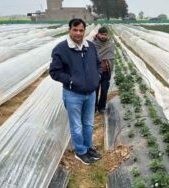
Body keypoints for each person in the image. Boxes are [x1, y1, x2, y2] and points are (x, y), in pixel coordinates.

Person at [49, 18, 102, 165]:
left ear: (85, 31)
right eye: (75, 30)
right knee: (77, 125)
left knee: (89, 123)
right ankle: (80, 151)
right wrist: (72, 80)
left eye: (81, 30)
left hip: (90, 93)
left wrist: (96, 77)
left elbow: (98, 64)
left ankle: (88, 147)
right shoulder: (61, 49)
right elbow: (54, 72)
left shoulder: (90, 46)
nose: (78, 33)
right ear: (69, 30)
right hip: (73, 95)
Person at [93, 26, 115, 113]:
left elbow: (112, 57)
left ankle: (101, 107)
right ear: (98, 34)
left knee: (104, 90)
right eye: (101, 34)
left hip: (106, 71)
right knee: (94, 90)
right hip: (96, 72)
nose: (103, 36)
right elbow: (92, 58)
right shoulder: (92, 44)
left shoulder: (110, 44)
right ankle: (93, 107)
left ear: (107, 35)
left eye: (105, 34)